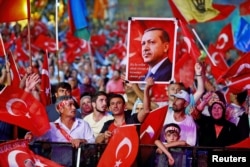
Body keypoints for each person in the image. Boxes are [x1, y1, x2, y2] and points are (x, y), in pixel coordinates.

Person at [25, 96, 95, 166]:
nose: (74, 108)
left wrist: (82, 141)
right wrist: (30, 135)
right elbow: (35, 137)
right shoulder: (51, 127)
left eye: (74, 105)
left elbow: (93, 143)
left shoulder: (83, 124)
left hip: (79, 165)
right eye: (70, 105)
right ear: (60, 109)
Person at [95, 77, 154, 144]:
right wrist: (103, 135)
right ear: (109, 108)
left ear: (124, 106)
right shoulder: (108, 124)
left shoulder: (133, 120)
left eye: (119, 103)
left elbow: (146, 110)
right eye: (112, 104)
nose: (115, 106)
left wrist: (146, 89)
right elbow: (97, 140)